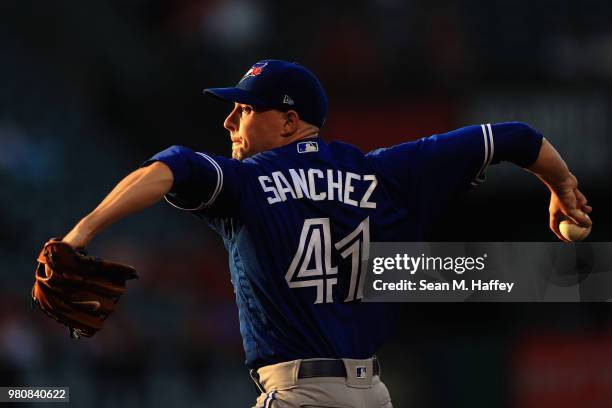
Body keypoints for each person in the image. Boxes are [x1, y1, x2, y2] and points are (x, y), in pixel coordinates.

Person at [62, 59, 592, 407]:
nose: (229, 123)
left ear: (290, 122)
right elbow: (515, 137)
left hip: (301, 394)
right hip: (373, 394)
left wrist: (80, 233)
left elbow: (168, 169)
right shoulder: (383, 173)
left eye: (245, 109)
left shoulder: (248, 179)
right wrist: (562, 187)